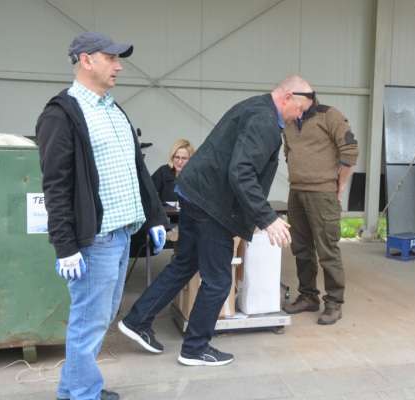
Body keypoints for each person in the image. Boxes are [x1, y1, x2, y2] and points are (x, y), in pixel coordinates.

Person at [118, 75, 314, 366]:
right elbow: (242, 172)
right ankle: (195, 348)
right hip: (212, 206)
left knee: (184, 265)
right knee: (219, 281)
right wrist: (267, 217)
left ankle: (137, 320)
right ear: (288, 97)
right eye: (300, 109)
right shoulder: (264, 122)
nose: (299, 116)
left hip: (195, 195)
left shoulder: (254, 106)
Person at [36, 31, 169, 400]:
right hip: (95, 240)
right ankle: (82, 394)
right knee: (88, 322)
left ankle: (74, 389)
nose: (118, 66)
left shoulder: (113, 110)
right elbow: (56, 186)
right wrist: (65, 246)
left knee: (100, 316)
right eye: (110, 58)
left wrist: (155, 217)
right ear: (86, 60)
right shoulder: (61, 115)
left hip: (122, 235)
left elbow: (137, 170)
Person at [281, 94, 359, 325]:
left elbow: (350, 149)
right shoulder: (290, 119)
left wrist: (340, 184)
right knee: (301, 248)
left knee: (327, 250)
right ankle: (308, 296)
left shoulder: (329, 115)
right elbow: (288, 151)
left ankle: (334, 303)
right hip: (296, 191)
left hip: (323, 193)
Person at [151, 139, 195, 204]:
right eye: (177, 157)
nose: (180, 162)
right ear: (172, 157)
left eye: (184, 158)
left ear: (191, 159)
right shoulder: (163, 171)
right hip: (166, 210)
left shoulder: (197, 175)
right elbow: (148, 192)